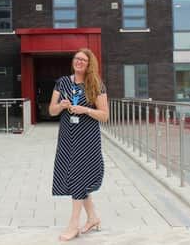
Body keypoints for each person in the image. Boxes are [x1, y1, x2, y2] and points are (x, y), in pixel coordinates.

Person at [49, 48, 109, 241]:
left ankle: (73, 225)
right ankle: (93, 218)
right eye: (77, 58)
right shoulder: (62, 82)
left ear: (89, 64)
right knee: (74, 175)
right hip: (67, 136)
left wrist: (84, 109)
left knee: (77, 176)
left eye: (84, 60)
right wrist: (61, 106)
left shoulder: (96, 84)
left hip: (87, 138)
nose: (79, 62)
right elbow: (51, 111)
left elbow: (105, 115)